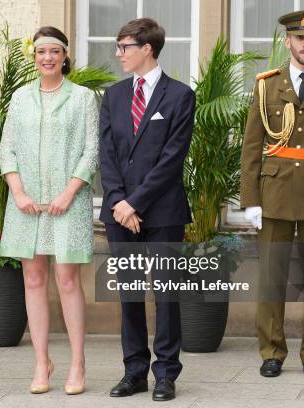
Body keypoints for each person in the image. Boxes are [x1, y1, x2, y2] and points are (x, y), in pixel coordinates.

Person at [240, 10, 304, 378]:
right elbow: (252, 146)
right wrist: (250, 200)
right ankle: (272, 350)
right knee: (272, 276)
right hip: (275, 194)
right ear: (288, 41)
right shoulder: (268, 85)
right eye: (300, 39)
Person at [99, 18, 195, 401]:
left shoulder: (179, 96)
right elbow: (106, 154)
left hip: (164, 211)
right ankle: (134, 371)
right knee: (129, 293)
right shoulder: (114, 95)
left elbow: (172, 159)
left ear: (147, 49)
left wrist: (136, 202)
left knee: (166, 295)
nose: (118, 53)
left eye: (124, 47)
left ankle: (166, 373)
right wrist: (119, 201)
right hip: (119, 212)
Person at [0, 26, 98, 395]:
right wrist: (19, 191)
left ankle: (77, 362)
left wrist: (69, 191)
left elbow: (92, 150)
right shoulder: (20, 98)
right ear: (34, 56)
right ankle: (42, 362)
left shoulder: (83, 98)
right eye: (41, 52)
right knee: (33, 279)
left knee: (67, 279)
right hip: (25, 203)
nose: (47, 58)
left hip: (68, 203)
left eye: (54, 51)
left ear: (64, 56)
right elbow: (6, 148)